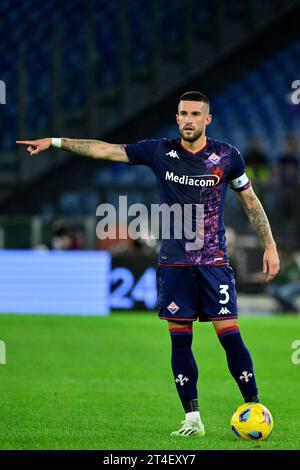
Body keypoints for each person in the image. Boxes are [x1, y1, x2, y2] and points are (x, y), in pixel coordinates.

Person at [16, 91, 280, 438]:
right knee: (180, 342)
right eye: (183, 113)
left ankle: (253, 407)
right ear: (177, 117)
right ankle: (192, 419)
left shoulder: (227, 156)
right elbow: (104, 149)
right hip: (174, 263)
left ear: (207, 120)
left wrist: (270, 244)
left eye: (195, 114)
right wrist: (54, 141)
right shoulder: (159, 151)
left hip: (213, 260)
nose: (188, 119)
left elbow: (250, 201)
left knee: (229, 337)